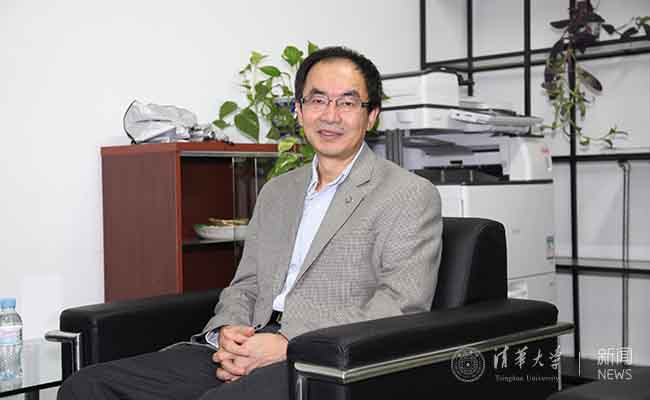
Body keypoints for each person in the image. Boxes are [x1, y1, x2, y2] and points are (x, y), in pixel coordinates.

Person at [58, 46, 442, 400]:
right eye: (317, 100)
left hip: (320, 358)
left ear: (371, 115)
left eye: (347, 102)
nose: (330, 115)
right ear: (299, 110)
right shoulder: (278, 191)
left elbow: (401, 304)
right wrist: (227, 332)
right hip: (247, 341)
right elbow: (246, 283)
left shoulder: (408, 194)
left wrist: (289, 343)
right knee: (87, 387)